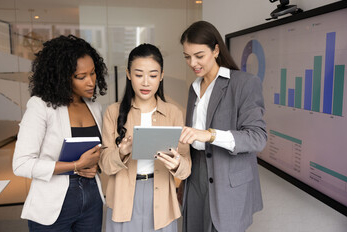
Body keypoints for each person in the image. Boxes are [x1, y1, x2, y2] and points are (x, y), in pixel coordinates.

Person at [12, 34, 108, 231]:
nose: (90, 82)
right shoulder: (41, 107)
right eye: (81, 77)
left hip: (91, 199)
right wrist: (75, 165)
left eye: (93, 73)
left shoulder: (95, 107)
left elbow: (96, 152)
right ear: (62, 77)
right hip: (52, 203)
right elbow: (21, 164)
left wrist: (95, 164)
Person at [178, 21, 267, 232]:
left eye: (199, 56)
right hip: (196, 174)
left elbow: (257, 137)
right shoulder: (194, 88)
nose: (193, 63)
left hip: (228, 178)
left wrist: (209, 135)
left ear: (216, 50)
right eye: (187, 57)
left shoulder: (244, 83)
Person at [100, 43, 191, 232]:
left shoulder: (174, 113)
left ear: (162, 76)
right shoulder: (113, 112)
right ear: (128, 74)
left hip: (161, 196)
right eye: (139, 75)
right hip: (123, 195)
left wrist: (176, 163)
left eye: (153, 75)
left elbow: (186, 168)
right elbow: (105, 165)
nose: (146, 82)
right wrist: (122, 152)